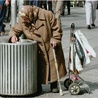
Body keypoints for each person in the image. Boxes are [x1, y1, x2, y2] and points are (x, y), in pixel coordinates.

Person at [8, 5, 67, 96]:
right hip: (36, 48)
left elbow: (57, 28)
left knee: (53, 65)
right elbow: (15, 29)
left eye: (26, 19)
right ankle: (37, 86)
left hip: (49, 44)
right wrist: (13, 36)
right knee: (37, 68)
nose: (25, 21)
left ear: (31, 15)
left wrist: (55, 38)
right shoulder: (23, 20)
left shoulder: (47, 15)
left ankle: (54, 84)